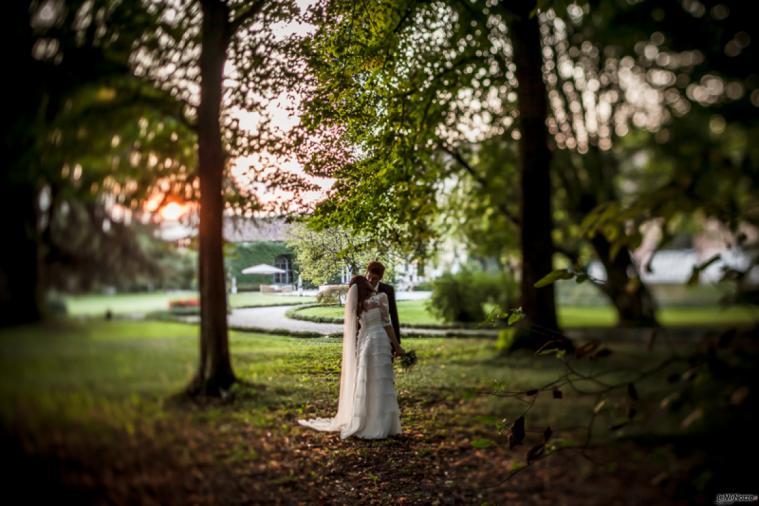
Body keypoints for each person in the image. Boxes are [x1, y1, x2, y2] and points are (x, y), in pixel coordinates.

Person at [298, 275, 405, 439]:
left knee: (367, 381)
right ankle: (383, 425)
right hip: (380, 341)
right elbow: (386, 323)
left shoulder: (358, 306)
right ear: (366, 284)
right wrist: (397, 346)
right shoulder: (380, 298)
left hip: (366, 343)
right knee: (382, 380)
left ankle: (366, 422)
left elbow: (360, 329)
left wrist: (360, 347)